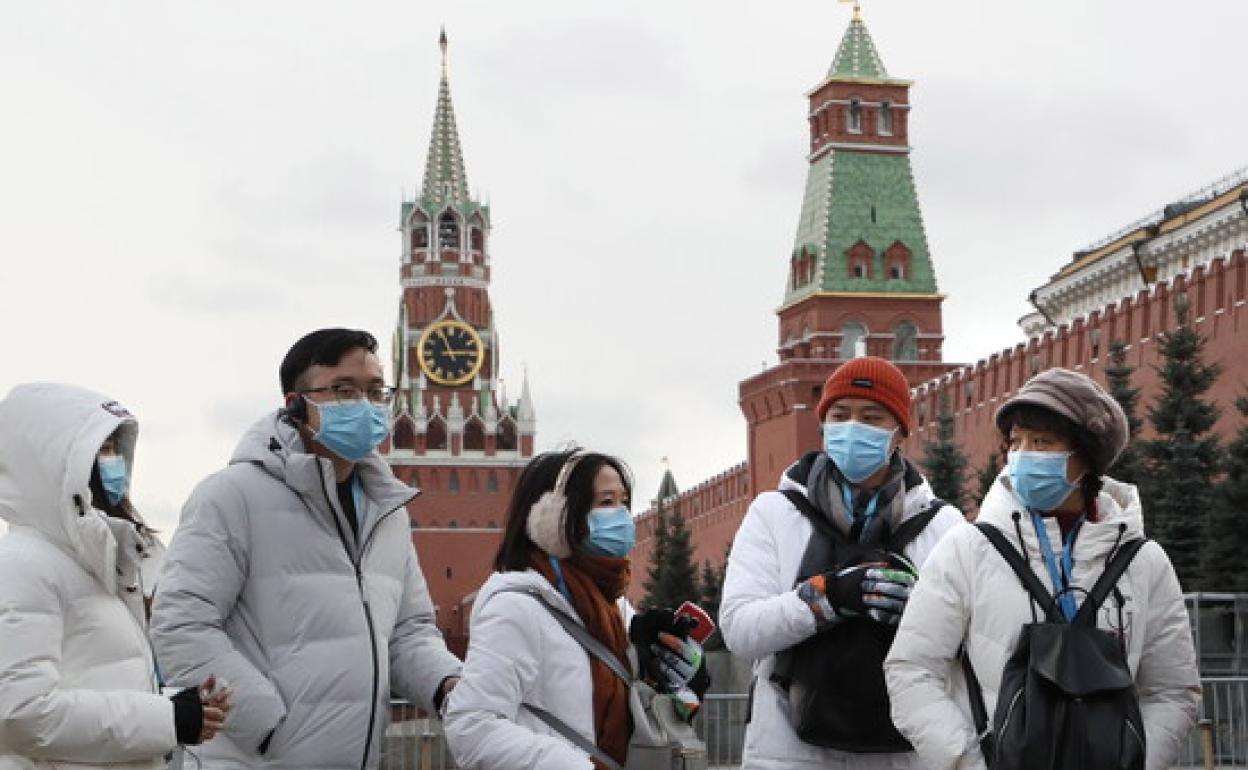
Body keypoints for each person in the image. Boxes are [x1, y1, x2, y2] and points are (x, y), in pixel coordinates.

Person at [150, 328, 461, 770]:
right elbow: (179, 626)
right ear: (295, 405)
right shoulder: (231, 496)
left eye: (376, 392)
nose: (364, 406)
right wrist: (269, 727)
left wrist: (449, 684)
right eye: (343, 390)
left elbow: (408, 633)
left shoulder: (387, 511)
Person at [885, 367, 1201, 770]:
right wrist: (966, 762)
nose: (1022, 456)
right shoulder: (969, 549)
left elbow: (1172, 690)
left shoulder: (1143, 562)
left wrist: (1135, 760)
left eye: (1042, 442)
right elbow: (911, 669)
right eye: (1015, 442)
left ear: (1085, 456)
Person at [720, 356, 964, 770]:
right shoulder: (777, 513)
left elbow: (972, 643)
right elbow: (741, 630)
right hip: (788, 752)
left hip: (904, 754)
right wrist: (825, 598)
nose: (853, 428)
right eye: (840, 415)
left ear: (900, 432)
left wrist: (920, 611)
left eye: (872, 417)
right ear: (823, 425)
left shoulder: (942, 525)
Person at [0, 383, 229, 770]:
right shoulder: (23, 564)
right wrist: (167, 720)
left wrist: (178, 705)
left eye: (114, 449)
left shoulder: (98, 565)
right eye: (100, 450)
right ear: (49, 463)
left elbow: (96, 678)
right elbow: (19, 714)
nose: (114, 463)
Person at [443, 449, 708, 770]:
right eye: (607, 502)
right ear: (552, 519)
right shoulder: (515, 608)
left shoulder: (613, 608)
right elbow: (472, 728)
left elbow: (628, 716)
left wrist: (675, 687)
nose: (623, 516)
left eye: (624, 502)